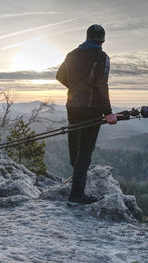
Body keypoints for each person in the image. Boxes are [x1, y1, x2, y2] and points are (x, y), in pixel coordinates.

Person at [56, 24, 118, 205]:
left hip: (72, 105)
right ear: (103, 40)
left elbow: (60, 76)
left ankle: (77, 180)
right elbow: (101, 85)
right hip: (92, 109)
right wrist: (108, 112)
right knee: (85, 151)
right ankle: (76, 196)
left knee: (75, 147)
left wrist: (76, 88)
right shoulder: (102, 57)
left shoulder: (71, 55)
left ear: (87, 37)